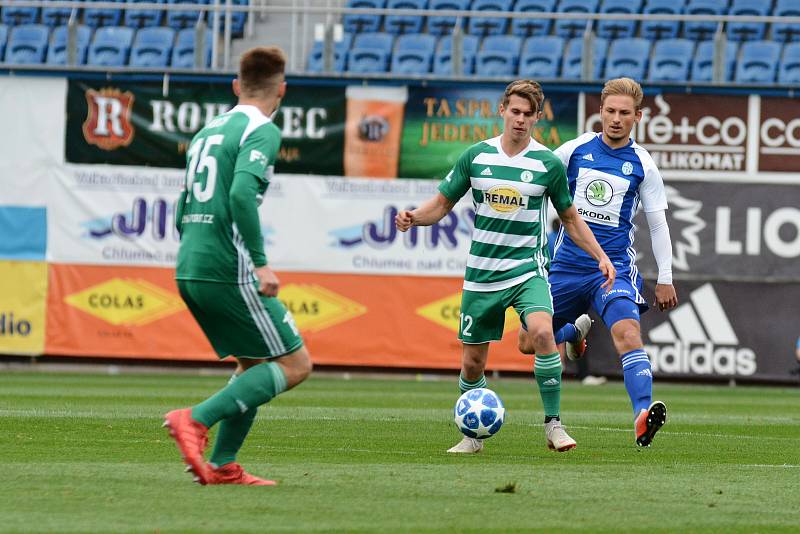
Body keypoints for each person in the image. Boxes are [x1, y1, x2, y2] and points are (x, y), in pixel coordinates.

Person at [395, 80, 616, 454]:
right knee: (472, 363)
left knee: (543, 334)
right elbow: (441, 204)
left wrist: (600, 255)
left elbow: (571, 218)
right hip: (482, 273)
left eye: (528, 114)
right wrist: (414, 218)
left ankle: (553, 425)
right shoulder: (477, 157)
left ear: (536, 119)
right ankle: (472, 437)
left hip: (527, 270)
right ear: (503, 110)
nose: (520, 119)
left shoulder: (546, 163)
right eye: (515, 111)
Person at [163, 46, 312, 486]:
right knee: (295, 364)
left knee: (254, 365)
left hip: (190, 261)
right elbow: (241, 196)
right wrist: (260, 264)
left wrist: (199, 248)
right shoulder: (261, 129)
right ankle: (194, 419)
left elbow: (181, 205)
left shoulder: (208, 130)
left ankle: (224, 465)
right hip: (226, 266)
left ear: (236, 86)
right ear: (282, 89)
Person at [522, 77, 678, 447]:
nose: (616, 119)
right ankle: (574, 332)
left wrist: (666, 277)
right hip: (566, 267)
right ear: (601, 111)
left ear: (638, 117)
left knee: (628, 333)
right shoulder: (574, 150)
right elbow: (536, 179)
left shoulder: (643, 164)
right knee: (528, 343)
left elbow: (658, 224)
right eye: (610, 111)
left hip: (614, 271)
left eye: (625, 113)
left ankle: (642, 415)